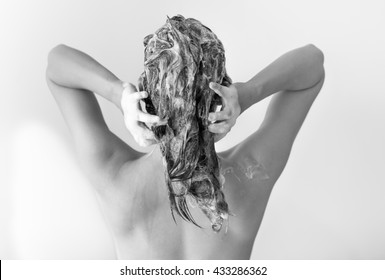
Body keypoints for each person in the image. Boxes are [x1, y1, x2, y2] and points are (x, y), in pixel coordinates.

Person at [46, 16, 325, 259]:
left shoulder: (115, 176)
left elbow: (56, 64)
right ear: (221, 100)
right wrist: (246, 94)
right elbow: (313, 63)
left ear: (147, 98)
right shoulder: (252, 173)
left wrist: (119, 94)